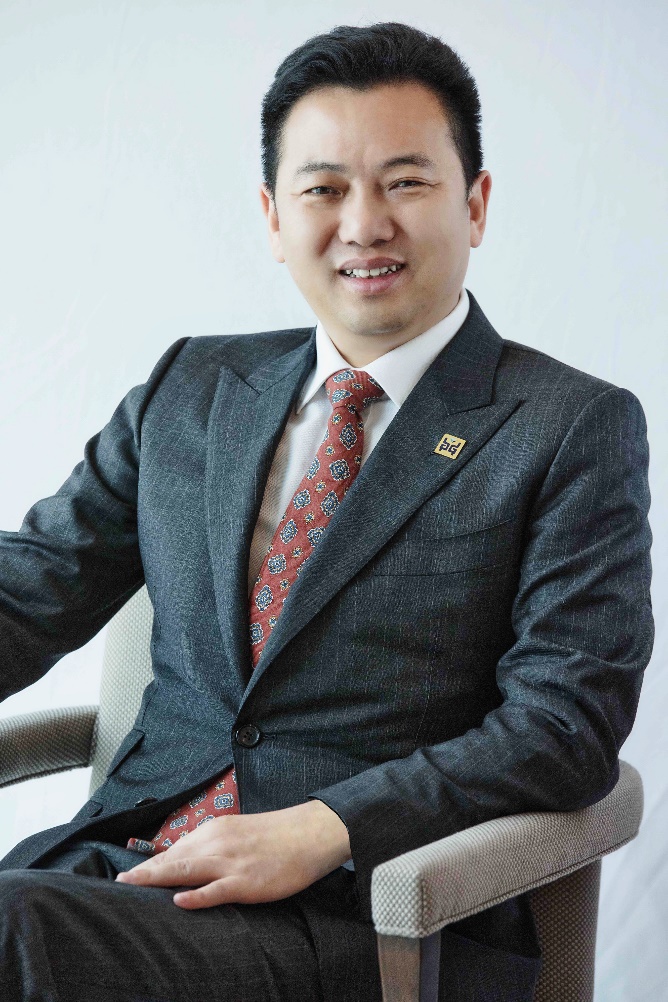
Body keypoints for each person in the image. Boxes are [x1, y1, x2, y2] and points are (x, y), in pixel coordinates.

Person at [0, 20, 653, 1002]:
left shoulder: (568, 427)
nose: (363, 224)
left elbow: (565, 724)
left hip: (364, 915)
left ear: (474, 204)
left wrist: (325, 827)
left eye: (404, 182)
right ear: (273, 217)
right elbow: (30, 591)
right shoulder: (192, 389)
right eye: (323, 189)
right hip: (117, 872)